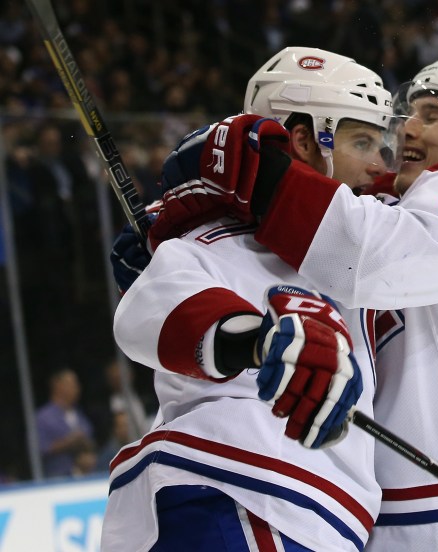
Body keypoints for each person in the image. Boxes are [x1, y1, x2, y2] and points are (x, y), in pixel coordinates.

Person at [145, 54, 438, 550]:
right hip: (379, 529)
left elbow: (370, 256)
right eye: (412, 112)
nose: (408, 127)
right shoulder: (380, 208)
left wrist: (256, 171)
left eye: (433, 115)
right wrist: (178, 245)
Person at [104, 47, 393, 552]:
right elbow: (154, 314)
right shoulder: (221, 236)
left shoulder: (361, 241)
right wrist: (260, 341)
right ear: (305, 140)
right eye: (362, 141)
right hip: (243, 491)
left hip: (287, 508)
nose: (377, 164)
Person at [36, 368, 95, 479]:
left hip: (84, 478)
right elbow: (39, 448)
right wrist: (68, 442)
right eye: (72, 384)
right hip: (57, 479)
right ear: (58, 386)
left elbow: (90, 439)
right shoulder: (43, 417)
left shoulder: (79, 414)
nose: (77, 388)